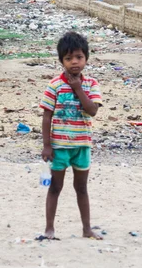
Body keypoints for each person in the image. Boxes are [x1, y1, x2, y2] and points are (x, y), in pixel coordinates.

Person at [40, 31, 103, 240]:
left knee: (82, 188)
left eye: (78, 57)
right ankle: (49, 228)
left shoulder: (90, 84)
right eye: (68, 58)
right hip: (59, 147)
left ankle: (87, 229)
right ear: (61, 61)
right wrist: (47, 145)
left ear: (86, 58)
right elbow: (47, 116)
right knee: (55, 187)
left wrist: (77, 88)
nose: (74, 62)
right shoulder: (55, 85)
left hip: (82, 145)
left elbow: (92, 110)